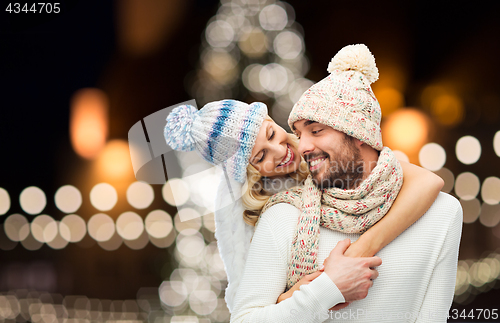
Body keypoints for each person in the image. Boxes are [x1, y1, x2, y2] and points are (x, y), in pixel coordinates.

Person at [229, 44, 463, 322]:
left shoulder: (442, 213)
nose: (301, 146)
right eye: (299, 133)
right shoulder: (282, 216)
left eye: (316, 130)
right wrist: (326, 290)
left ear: (359, 133)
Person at [164, 98, 443, 314]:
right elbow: (261, 305)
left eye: (272, 134)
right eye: (261, 156)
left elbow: (427, 182)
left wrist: (359, 252)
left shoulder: (326, 150)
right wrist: (306, 290)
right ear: (247, 171)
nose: (281, 152)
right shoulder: (263, 214)